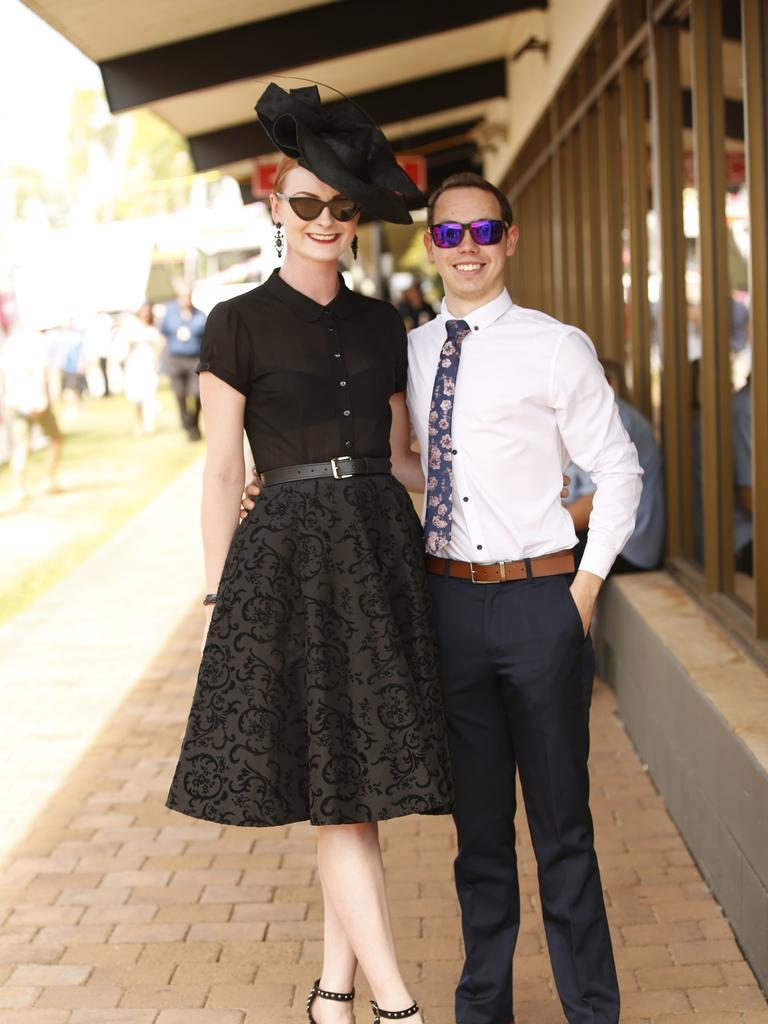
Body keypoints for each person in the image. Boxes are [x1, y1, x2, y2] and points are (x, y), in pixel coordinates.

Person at [166, 83, 453, 1024]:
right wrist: (218, 590)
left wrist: (498, 491)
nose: (325, 219)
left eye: (341, 204)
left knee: (355, 784)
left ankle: (334, 992)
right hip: (285, 560)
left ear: (356, 216)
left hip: (376, 552)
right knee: (342, 793)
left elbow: (406, 457)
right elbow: (219, 472)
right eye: (306, 203)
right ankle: (398, 1006)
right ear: (276, 210)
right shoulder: (234, 322)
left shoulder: (385, 326)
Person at [407, 172, 641, 1024]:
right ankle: (485, 1008)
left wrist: (583, 589)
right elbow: (415, 468)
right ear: (430, 246)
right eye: (448, 233)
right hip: (452, 608)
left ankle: (592, 1011)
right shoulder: (416, 351)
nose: (466, 247)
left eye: (482, 231)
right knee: (477, 835)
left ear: (509, 239)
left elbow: (617, 469)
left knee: (561, 829)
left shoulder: (555, 346)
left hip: (541, 601)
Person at [564, 358, 664, 573]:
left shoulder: (613, 417)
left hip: (628, 546)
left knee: (541, 568)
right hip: (614, 534)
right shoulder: (592, 416)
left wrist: (541, 528)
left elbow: (593, 504)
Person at [0, 323, 63, 503]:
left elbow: (3, 376)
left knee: (22, 446)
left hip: (16, 402)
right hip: (34, 401)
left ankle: (19, 488)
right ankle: (48, 479)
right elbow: (44, 372)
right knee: (54, 439)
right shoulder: (37, 342)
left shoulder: (10, 345)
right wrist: (45, 398)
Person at [161, 283, 207, 440]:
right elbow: (162, 335)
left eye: (187, 295)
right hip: (175, 359)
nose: (185, 299)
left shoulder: (200, 316)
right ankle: (188, 426)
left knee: (196, 394)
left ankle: (193, 424)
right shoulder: (170, 314)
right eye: (182, 296)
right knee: (180, 395)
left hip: (194, 360)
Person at [119, 302, 163, 435]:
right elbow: (124, 345)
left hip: (149, 366)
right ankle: (138, 423)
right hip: (134, 367)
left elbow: (159, 344)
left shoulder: (152, 328)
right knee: (136, 397)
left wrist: (157, 360)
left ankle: (148, 425)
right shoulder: (131, 326)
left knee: (149, 396)